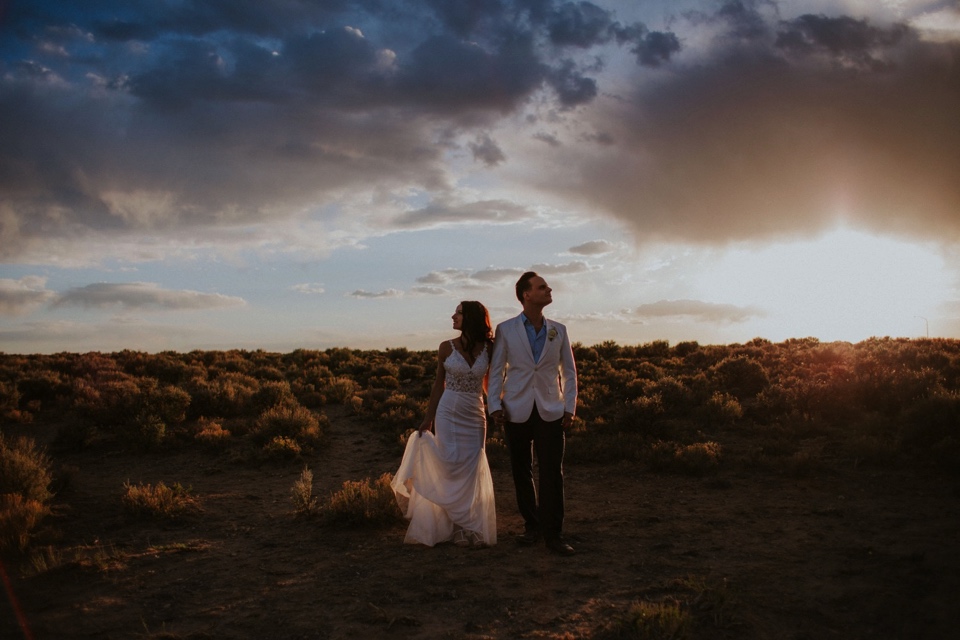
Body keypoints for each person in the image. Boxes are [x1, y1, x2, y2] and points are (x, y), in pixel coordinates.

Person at [391, 301, 497, 548]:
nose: (453, 316)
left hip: (475, 412)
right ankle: (458, 527)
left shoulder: (489, 349)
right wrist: (428, 418)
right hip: (448, 411)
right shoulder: (446, 348)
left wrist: (498, 407)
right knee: (450, 463)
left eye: (458, 313)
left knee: (473, 464)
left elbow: (491, 384)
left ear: (470, 318)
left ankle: (472, 524)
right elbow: (439, 384)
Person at [488, 271, 578, 556]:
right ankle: (532, 526)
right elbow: (496, 370)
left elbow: (570, 373)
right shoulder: (506, 329)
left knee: (553, 473)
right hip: (516, 408)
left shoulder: (559, 330)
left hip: (551, 409)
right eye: (542, 287)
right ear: (526, 295)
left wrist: (569, 407)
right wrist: (494, 405)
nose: (549, 289)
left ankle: (554, 534)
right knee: (521, 470)